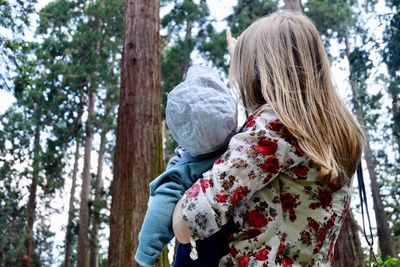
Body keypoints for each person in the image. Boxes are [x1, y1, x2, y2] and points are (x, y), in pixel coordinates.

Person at [172, 11, 365, 266]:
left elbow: (189, 222)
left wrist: (175, 195)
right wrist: (242, 51)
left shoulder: (273, 126)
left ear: (260, 70)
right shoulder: (339, 133)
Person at [134, 65, 238, 267]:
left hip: (199, 246)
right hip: (239, 239)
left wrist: (146, 252)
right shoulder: (241, 146)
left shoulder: (183, 168)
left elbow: (160, 207)